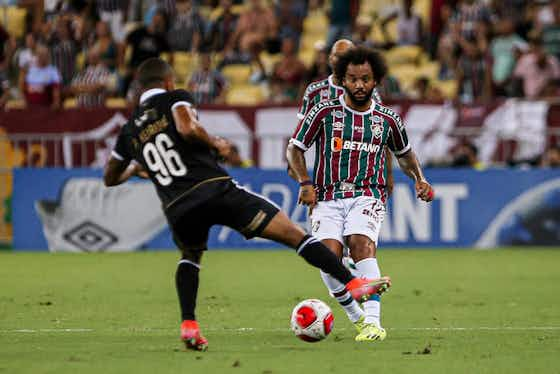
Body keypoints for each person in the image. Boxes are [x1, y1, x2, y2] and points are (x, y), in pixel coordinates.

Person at [103, 57, 391, 351]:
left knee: (190, 256)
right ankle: (354, 284)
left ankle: (189, 325)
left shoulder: (128, 131)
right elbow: (187, 127)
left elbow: (110, 177)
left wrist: (137, 170)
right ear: (167, 82)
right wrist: (216, 143)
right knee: (294, 234)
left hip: (177, 207)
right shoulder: (175, 98)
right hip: (213, 189)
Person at [286, 46, 434, 342]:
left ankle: (374, 323)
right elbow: (295, 148)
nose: (359, 85)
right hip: (327, 196)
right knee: (327, 258)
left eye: (365, 79)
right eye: (352, 79)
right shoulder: (324, 112)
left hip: (368, 193)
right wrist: (305, 182)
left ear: (376, 80)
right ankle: (357, 319)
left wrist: (419, 179)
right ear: (341, 79)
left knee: (360, 244)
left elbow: (404, 154)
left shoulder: (388, 119)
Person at [290, 40, 395, 332]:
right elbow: (300, 134)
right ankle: (355, 313)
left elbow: (381, 132)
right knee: (327, 255)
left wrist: (388, 173)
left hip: (363, 183)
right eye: (337, 57)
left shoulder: (368, 92)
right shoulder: (315, 92)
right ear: (332, 61)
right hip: (326, 183)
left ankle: (370, 318)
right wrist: (301, 176)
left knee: (360, 245)